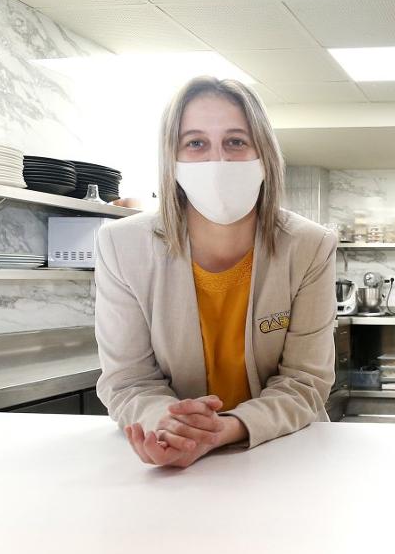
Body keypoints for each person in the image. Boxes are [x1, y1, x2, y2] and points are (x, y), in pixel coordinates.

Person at [95, 77, 336, 467]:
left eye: (236, 142)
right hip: (171, 455)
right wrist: (168, 426)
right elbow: (127, 379)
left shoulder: (309, 246)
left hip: (282, 453)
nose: (217, 161)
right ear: (171, 159)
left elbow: (305, 382)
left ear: (265, 154)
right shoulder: (122, 247)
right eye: (195, 143)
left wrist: (227, 427)